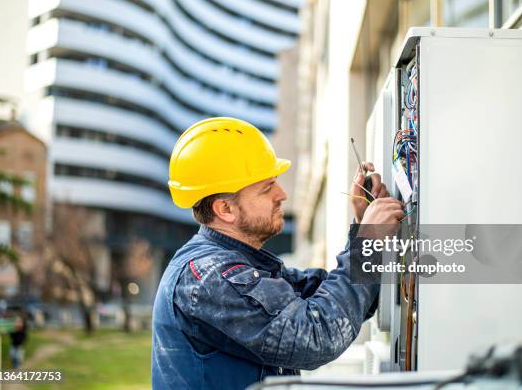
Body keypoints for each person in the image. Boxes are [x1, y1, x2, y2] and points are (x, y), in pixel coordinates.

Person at [151, 117, 404, 389]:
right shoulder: (209, 277)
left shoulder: (239, 265)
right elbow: (319, 334)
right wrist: (368, 241)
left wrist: (365, 226)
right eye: (267, 188)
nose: (282, 194)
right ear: (225, 209)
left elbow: (334, 301)